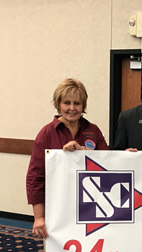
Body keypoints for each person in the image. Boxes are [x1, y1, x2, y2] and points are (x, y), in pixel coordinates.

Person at [26, 78, 108, 238]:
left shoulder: (93, 130)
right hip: (57, 208)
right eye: (67, 103)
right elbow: (35, 178)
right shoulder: (46, 133)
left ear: (83, 105)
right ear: (59, 104)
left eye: (77, 103)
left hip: (92, 206)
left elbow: (106, 163)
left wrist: (82, 151)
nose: (72, 108)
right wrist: (39, 217)